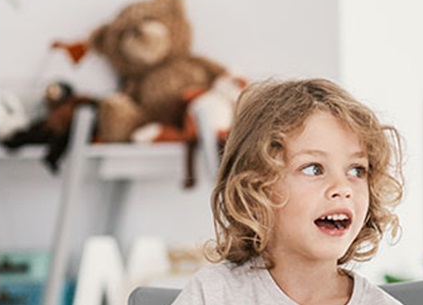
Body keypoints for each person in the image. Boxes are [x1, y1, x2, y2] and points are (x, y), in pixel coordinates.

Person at [173, 78, 405, 305]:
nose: (342, 188)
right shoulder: (214, 294)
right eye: (314, 169)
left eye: (356, 170)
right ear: (254, 190)